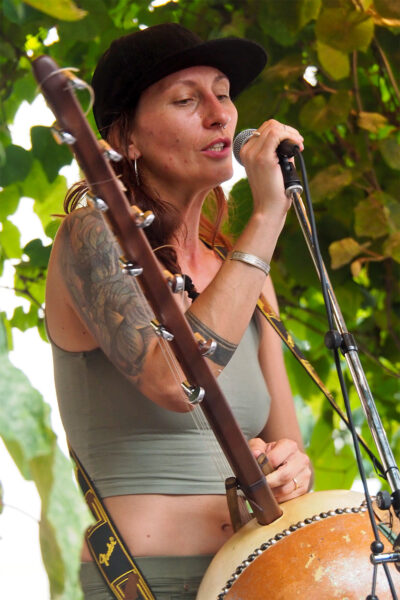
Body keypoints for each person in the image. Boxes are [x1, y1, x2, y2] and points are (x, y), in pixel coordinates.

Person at [45, 23, 312, 600]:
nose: (220, 115)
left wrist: (292, 468)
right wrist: (266, 219)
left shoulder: (243, 276)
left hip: (259, 578)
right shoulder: (91, 236)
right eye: (187, 100)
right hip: (145, 584)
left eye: (223, 93)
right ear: (127, 141)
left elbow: (288, 445)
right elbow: (176, 377)